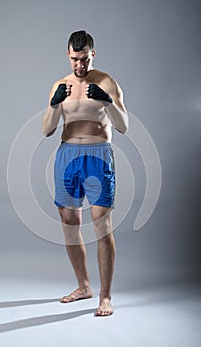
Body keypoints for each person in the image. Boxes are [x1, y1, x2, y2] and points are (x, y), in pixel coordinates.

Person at [42, 30, 129, 316]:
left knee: (102, 226)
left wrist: (107, 102)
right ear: (68, 55)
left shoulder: (106, 82)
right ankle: (83, 286)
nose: (79, 66)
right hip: (67, 155)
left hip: (98, 154)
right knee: (69, 223)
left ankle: (105, 296)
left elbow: (123, 126)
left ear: (93, 53)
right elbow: (47, 130)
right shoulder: (61, 84)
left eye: (84, 59)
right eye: (74, 60)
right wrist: (54, 104)